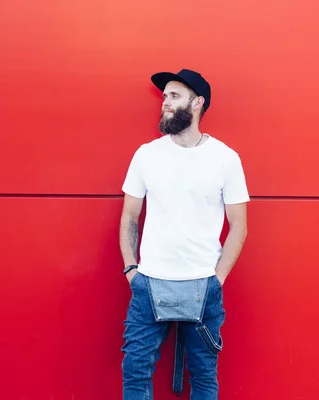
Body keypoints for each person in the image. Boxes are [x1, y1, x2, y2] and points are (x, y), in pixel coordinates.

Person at [119, 69, 249, 399]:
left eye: (174, 96)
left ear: (197, 102)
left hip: (203, 285)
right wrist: (132, 271)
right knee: (135, 371)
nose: (165, 102)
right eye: (164, 96)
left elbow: (239, 226)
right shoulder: (146, 154)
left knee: (203, 376)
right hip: (149, 283)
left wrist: (216, 279)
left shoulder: (225, 159)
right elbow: (130, 217)